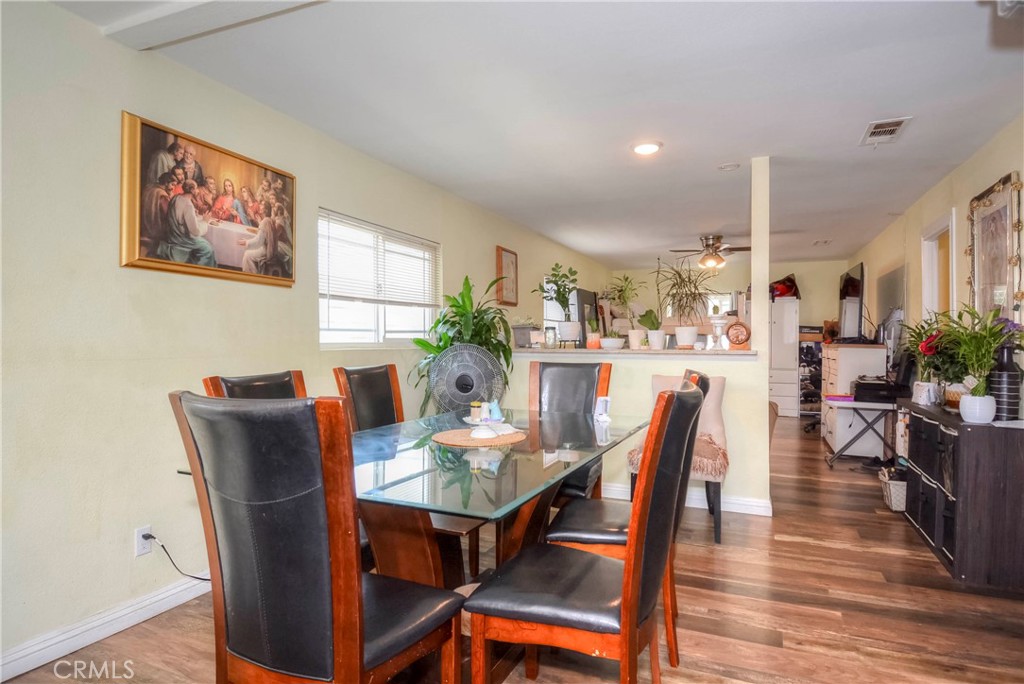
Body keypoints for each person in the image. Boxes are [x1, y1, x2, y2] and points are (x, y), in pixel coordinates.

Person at [155, 180, 217, 267]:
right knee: (207, 248)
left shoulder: (176, 198)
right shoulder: (188, 205)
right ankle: (200, 271)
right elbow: (195, 231)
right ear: (192, 190)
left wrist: (193, 215)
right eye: (196, 188)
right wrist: (205, 221)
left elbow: (180, 218)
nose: (198, 191)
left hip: (172, 235)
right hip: (181, 238)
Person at [239, 203, 292, 276]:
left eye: (262, 205)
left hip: (266, 250)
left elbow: (258, 241)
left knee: (247, 254)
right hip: (269, 250)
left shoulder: (266, 221)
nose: (260, 206)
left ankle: (251, 276)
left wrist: (246, 242)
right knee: (250, 251)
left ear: (265, 210)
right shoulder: (269, 220)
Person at [140, 174, 177, 248]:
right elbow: (168, 213)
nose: (173, 188)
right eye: (172, 184)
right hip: (155, 229)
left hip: (144, 227)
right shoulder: (162, 195)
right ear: (166, 183)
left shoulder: (149, 188)